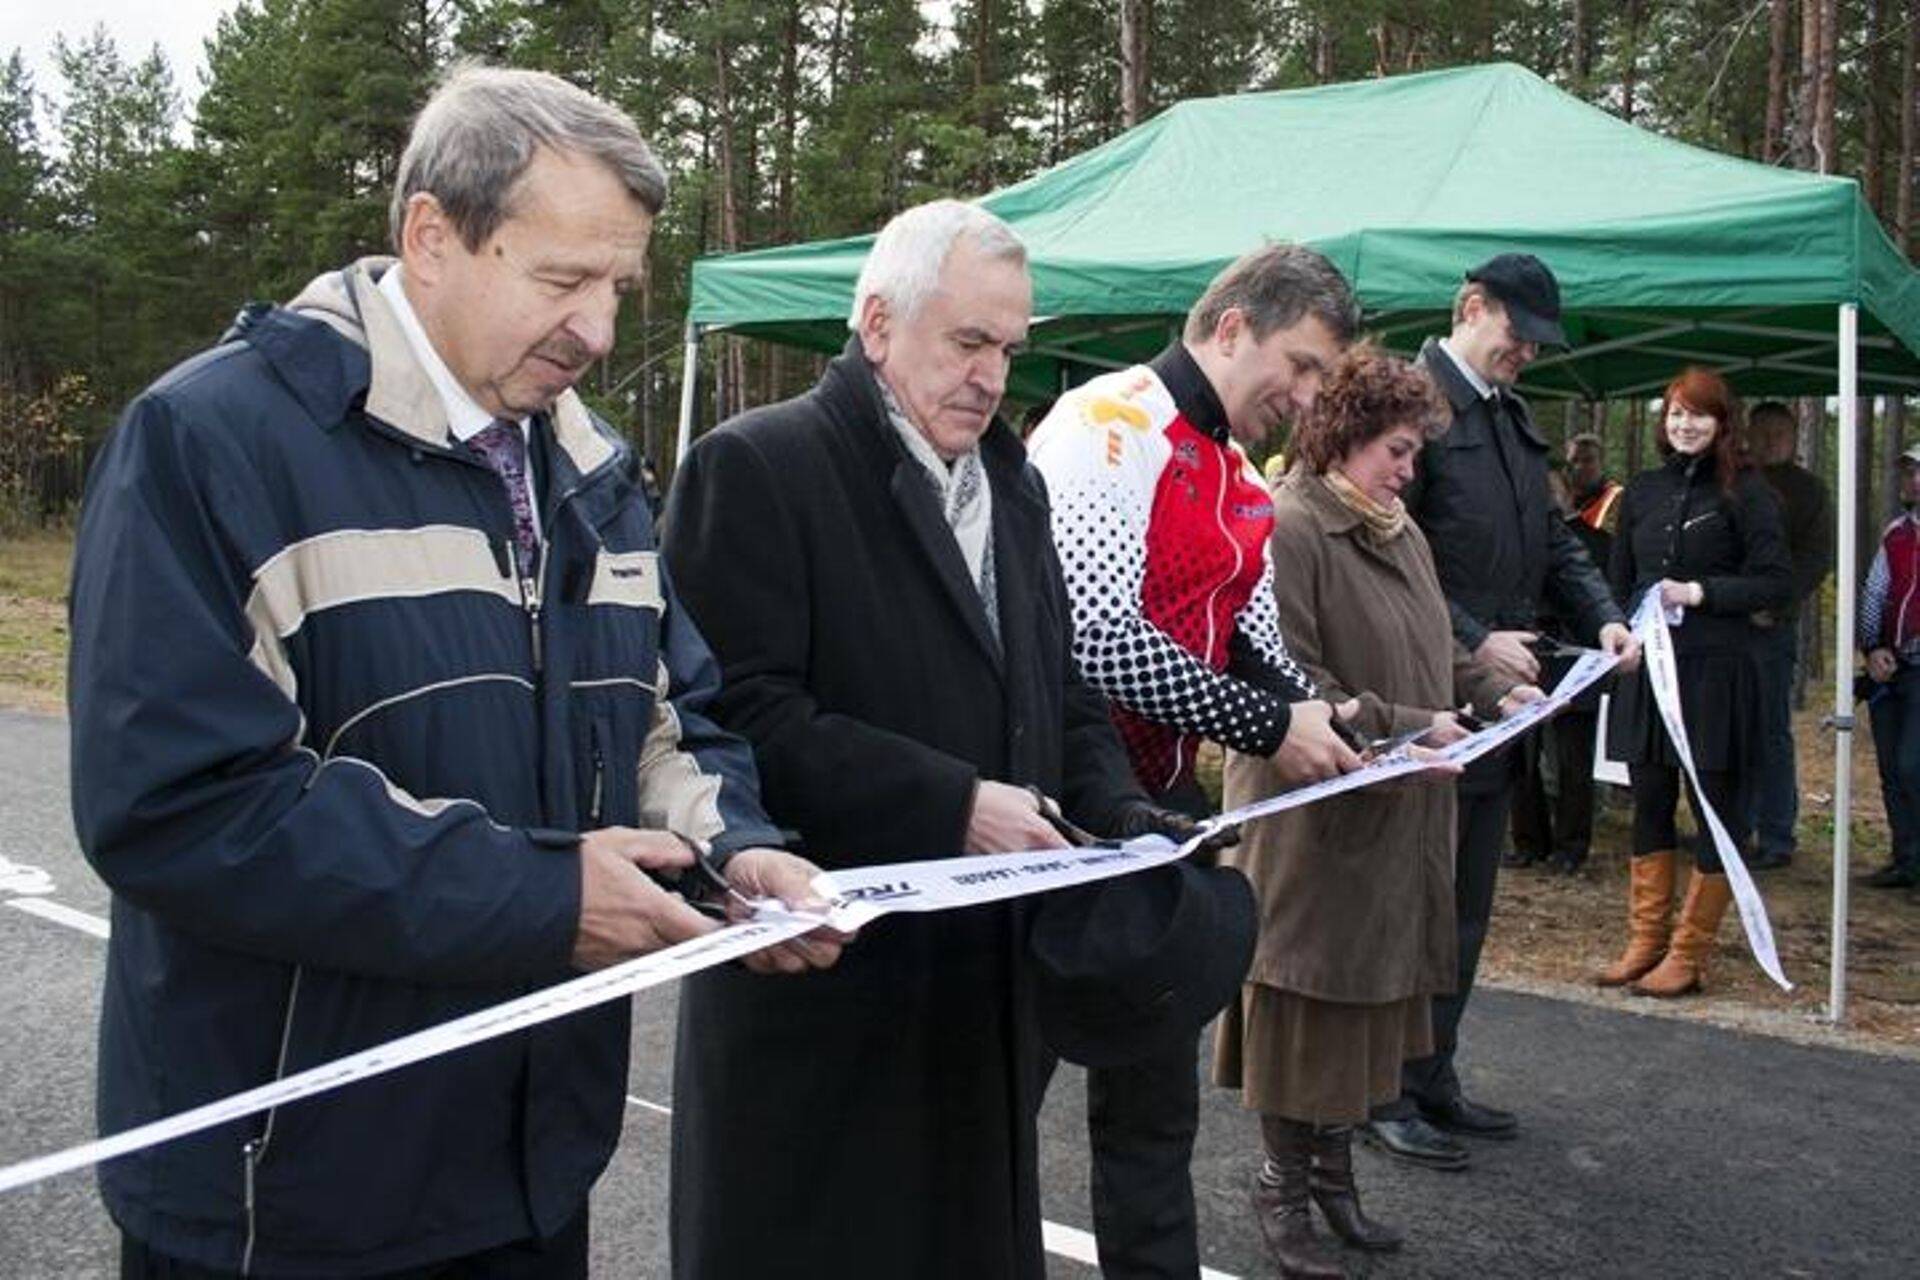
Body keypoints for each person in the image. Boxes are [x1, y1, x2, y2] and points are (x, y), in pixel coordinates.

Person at [66, 67, 842, 1279]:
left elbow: (662, 716)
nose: (597, 330)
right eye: (562, 279)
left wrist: (734, 845)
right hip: (292, 1187)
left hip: (533, 1164)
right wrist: (543, 894)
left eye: (618, 287)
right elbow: (179, 803)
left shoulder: (592, 472)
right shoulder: (212, 442)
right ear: (431, 235)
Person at [661, 200, 1207, 1280]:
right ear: (876, 324)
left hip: (981, 993)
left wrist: (1127, 816)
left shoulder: (1014, 485)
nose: (993, 375)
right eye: (968, 341)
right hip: (827, 990)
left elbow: (1066, 696)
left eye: (1010, 347)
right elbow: (731, 712)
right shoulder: (757, 467)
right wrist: (950, 799)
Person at [1027, 242, 1363, 1278]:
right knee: (994, 1088)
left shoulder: (1236, 470)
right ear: (1231, 329)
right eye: (1300, 368)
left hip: (1164, 806)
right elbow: (1096, 641)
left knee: (1154, 1100)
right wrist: (1271, 728)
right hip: (1054, 797)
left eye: (1321, 381)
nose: (1307, 399)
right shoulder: (1109, 422)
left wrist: (1354, 727)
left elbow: (1260, 647)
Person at [1214, 346, 1538, 1278]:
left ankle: (1331, 1181)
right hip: (1311, 824)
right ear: (1346, 437)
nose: (1409, 471)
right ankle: (1282, 1186)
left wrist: (1488, 689)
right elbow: (1291, 682)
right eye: (1396, 450)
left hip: (1390, 816)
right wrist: (1411, 727)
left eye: (1415, 453)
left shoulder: (1397, 526)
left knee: (1362, 1018)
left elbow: (1434, 644)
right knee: (1307, 1011)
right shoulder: (1289, 526)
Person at [1366, 252, 1638, 1170]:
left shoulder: (1514, 421)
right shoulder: (1411, 411)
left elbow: (1556, 537)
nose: (1527, 354)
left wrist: (1602, 616)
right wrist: (1475, 639)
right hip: (1421, 694)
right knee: (1411, 903)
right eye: (1517, 335)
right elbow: (1390, 552)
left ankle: (1433, 1071)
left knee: (1467, 906)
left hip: (1503, 705)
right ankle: (1381, 1089)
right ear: (1471, 308)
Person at [1597, 368, 1790, 997]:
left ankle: (1688, 953)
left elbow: (1774, 582)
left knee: (1714, 808)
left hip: (1718, 678)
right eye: (1676, 413)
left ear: (1721, 422)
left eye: (1698, 415)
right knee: (1650, 800)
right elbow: (1622, 581)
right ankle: (1645, 941)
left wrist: (1701, 592)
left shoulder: (1749, 493)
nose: (1685, 424)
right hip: (1651, 675)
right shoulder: (1644, 492)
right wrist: (1620, 632)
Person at [1510, 432, 1622, 873]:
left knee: (1574, 760)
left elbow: (1600, 599)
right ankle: (1528, 841)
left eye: (1553, 488)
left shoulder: (1595, 545)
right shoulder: (1521, 540)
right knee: (1522, 755)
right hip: (1529, 657)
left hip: (1576, 662)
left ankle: (1571, 847)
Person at [1742, 400, 1833, 870]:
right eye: (1764, 432)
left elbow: (1815, 559)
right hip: (1728, 626)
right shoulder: (1733, 481)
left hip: (1774, 627)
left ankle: (1777, 833)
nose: (1772, 440)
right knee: (1732, 730)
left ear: (1794, 438)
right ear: (1749, 435)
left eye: (1781, 433)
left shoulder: (1810, 492)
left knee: (1771, 731)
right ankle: (1736, 826)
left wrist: (1773, 606)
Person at [1859, 444, 1920, 890]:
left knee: (1911, 764)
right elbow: (1875, 593)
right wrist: (1873, 647)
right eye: (1909, 471)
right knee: (1890, 768)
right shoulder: (1896, 534)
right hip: (1891, 669)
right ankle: (1906, 859)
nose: (1913, 480)